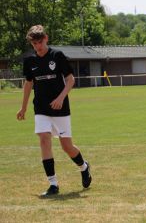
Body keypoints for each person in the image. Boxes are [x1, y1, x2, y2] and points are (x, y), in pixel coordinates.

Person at [16, 25, 92, 196]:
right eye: (34, 44)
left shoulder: (57, 56)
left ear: (46, 39)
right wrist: (23, 107)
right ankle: (53, 184)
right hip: (41, 108)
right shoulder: (29, 61)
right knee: (44, 139)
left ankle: (84, 167)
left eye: (40, 42)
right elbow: (28, 83)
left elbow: (70, 80)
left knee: (67, 146)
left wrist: (60, 98)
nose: (38, 46)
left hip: (60, 108)